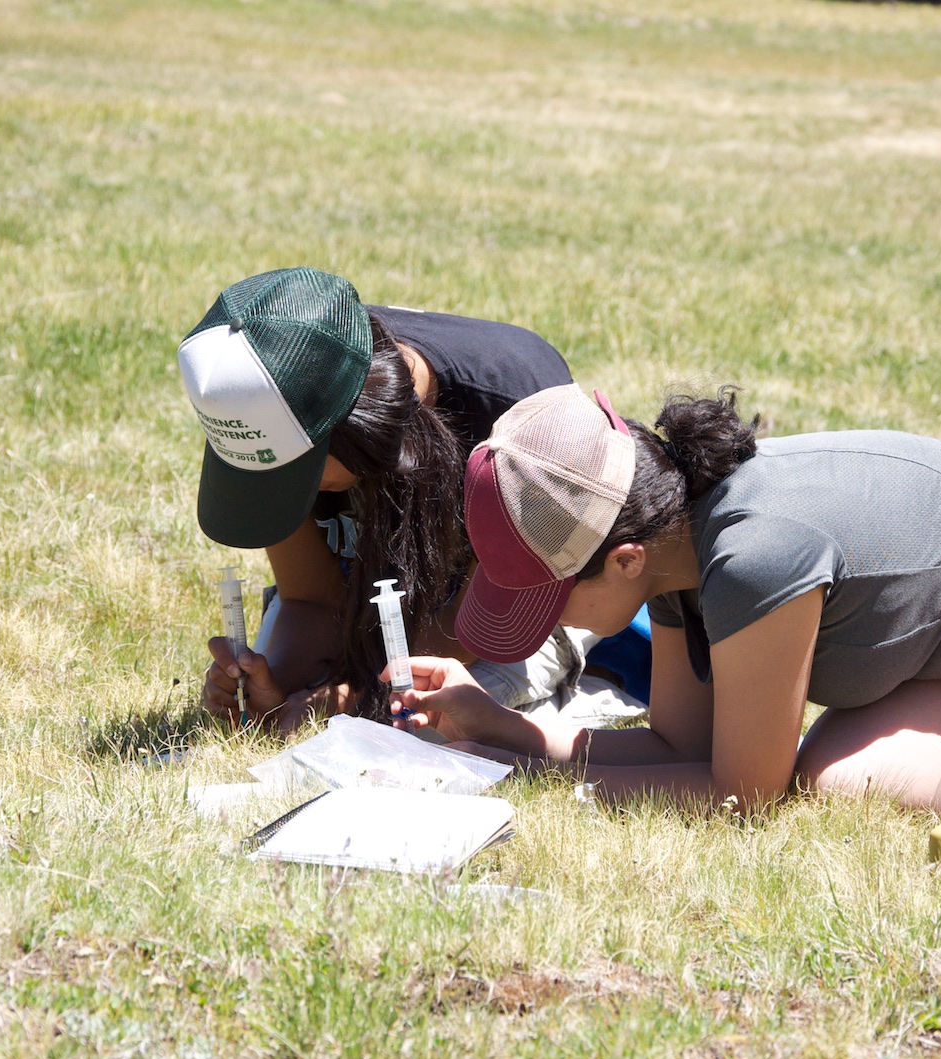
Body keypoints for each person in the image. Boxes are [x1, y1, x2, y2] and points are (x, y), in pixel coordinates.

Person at [389, 383, 941, 823]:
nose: (540, 623)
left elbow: (740, 792)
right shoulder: (670, 541)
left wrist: (537, 776)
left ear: (620, 560)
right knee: (834, 777)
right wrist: (498, 729)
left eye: (546, 596)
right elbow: (682, 747)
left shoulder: (751, 554)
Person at [179, 267, 644, 731]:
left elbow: (481, 620)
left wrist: (356, 696)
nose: (281, 494)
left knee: (434, 726)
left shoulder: (519, 406)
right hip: (371, 602)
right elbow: (310, 600)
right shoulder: (262, 394)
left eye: (293, 478)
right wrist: (276, 685)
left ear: (364, 429)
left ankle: (588, 695)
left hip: (508, 607)